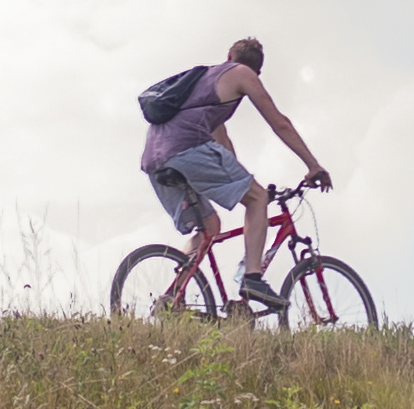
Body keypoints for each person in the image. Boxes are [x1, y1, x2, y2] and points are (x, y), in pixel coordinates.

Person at [138, 36, 329, 295]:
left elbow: (222, 142)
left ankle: (173, 294)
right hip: (187, 149)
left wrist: (245, 184)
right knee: (258, 198)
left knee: (211, 227)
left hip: (154, 158)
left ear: (228, 57)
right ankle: (252, 279)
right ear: (257, 70)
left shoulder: (202, 83)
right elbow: (279, 123)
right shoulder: (243, 74)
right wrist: (313, 165)